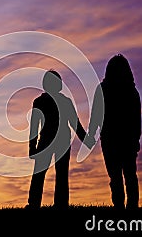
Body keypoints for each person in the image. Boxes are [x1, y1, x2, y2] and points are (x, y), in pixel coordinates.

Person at [26, 70, 95, 210]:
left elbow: (74, 123)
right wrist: (86, 140)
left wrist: (32, 147)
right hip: (55, 141)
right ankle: (53, 204)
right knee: (54, 174)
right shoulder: (56, 102)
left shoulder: (43, 102)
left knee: (48, 174)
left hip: (52, 142)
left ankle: (38, 204)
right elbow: (75, 124)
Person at [88, 54, 142, 210]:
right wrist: (136, 139)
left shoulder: (104, 89)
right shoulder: (132, 91)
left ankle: (120, 207)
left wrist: (91, 134)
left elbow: (96, 116)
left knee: (116, 176)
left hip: (112, 140)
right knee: (129, 176)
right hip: (126, 140)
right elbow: (136, 119)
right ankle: (131, 207)